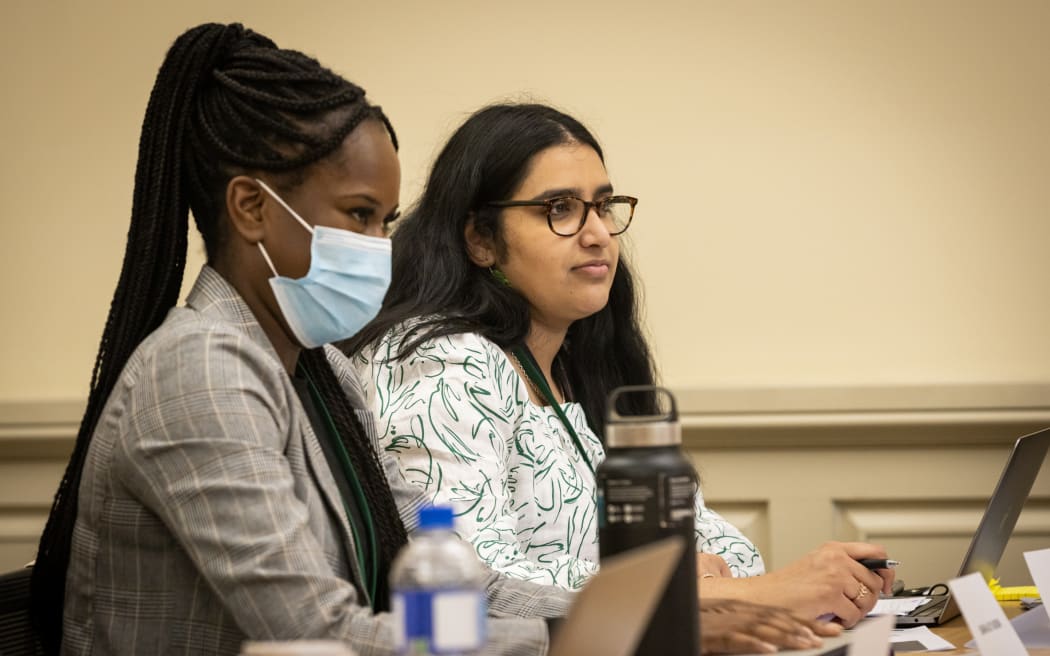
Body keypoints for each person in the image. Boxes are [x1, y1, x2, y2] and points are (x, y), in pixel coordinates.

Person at [29, 23, 834, 656]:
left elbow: (456, 589)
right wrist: (609, 636)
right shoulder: (200, 369)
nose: (381, 247)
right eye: (356, 217)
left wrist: (658, 621)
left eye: (386, 221)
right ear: (250, 209)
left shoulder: (323, 374)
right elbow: (324, 632)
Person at [346, 103, 894, 627]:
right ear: (480, 240)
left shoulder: (579, 364)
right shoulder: (437, 362)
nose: (599, 233)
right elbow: (476, 583)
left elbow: (722, 547)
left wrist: (730, 582)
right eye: (559, 209)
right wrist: (695, 588)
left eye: (603, 206)